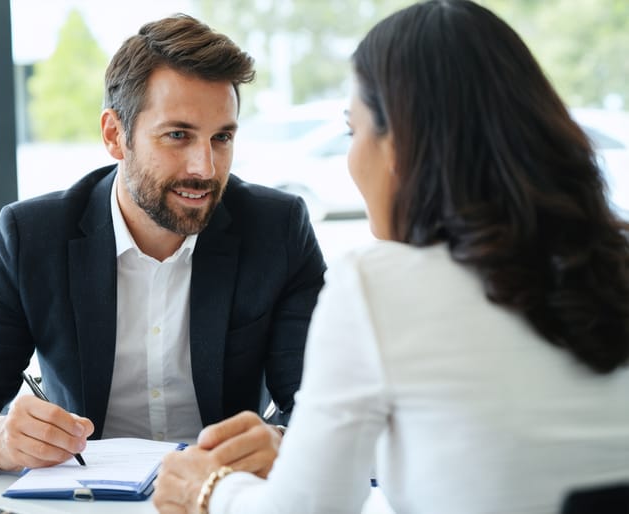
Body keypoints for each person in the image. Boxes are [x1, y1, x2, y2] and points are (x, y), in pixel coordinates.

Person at [153, 1, 629, 513]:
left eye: (352, 131)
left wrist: (208, 489)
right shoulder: (613, 264)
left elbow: (308, 509)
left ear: (399, 143)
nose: (353, 158)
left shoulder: (378, 284)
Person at [0, 13, 327, 474]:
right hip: (82, 500)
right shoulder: (33, 236)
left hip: (222, 495)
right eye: (178, 135)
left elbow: (321, 406)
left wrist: (280, 441)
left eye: (222, 138)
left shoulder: (276, 228)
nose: (205, 168)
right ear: (115, 135)